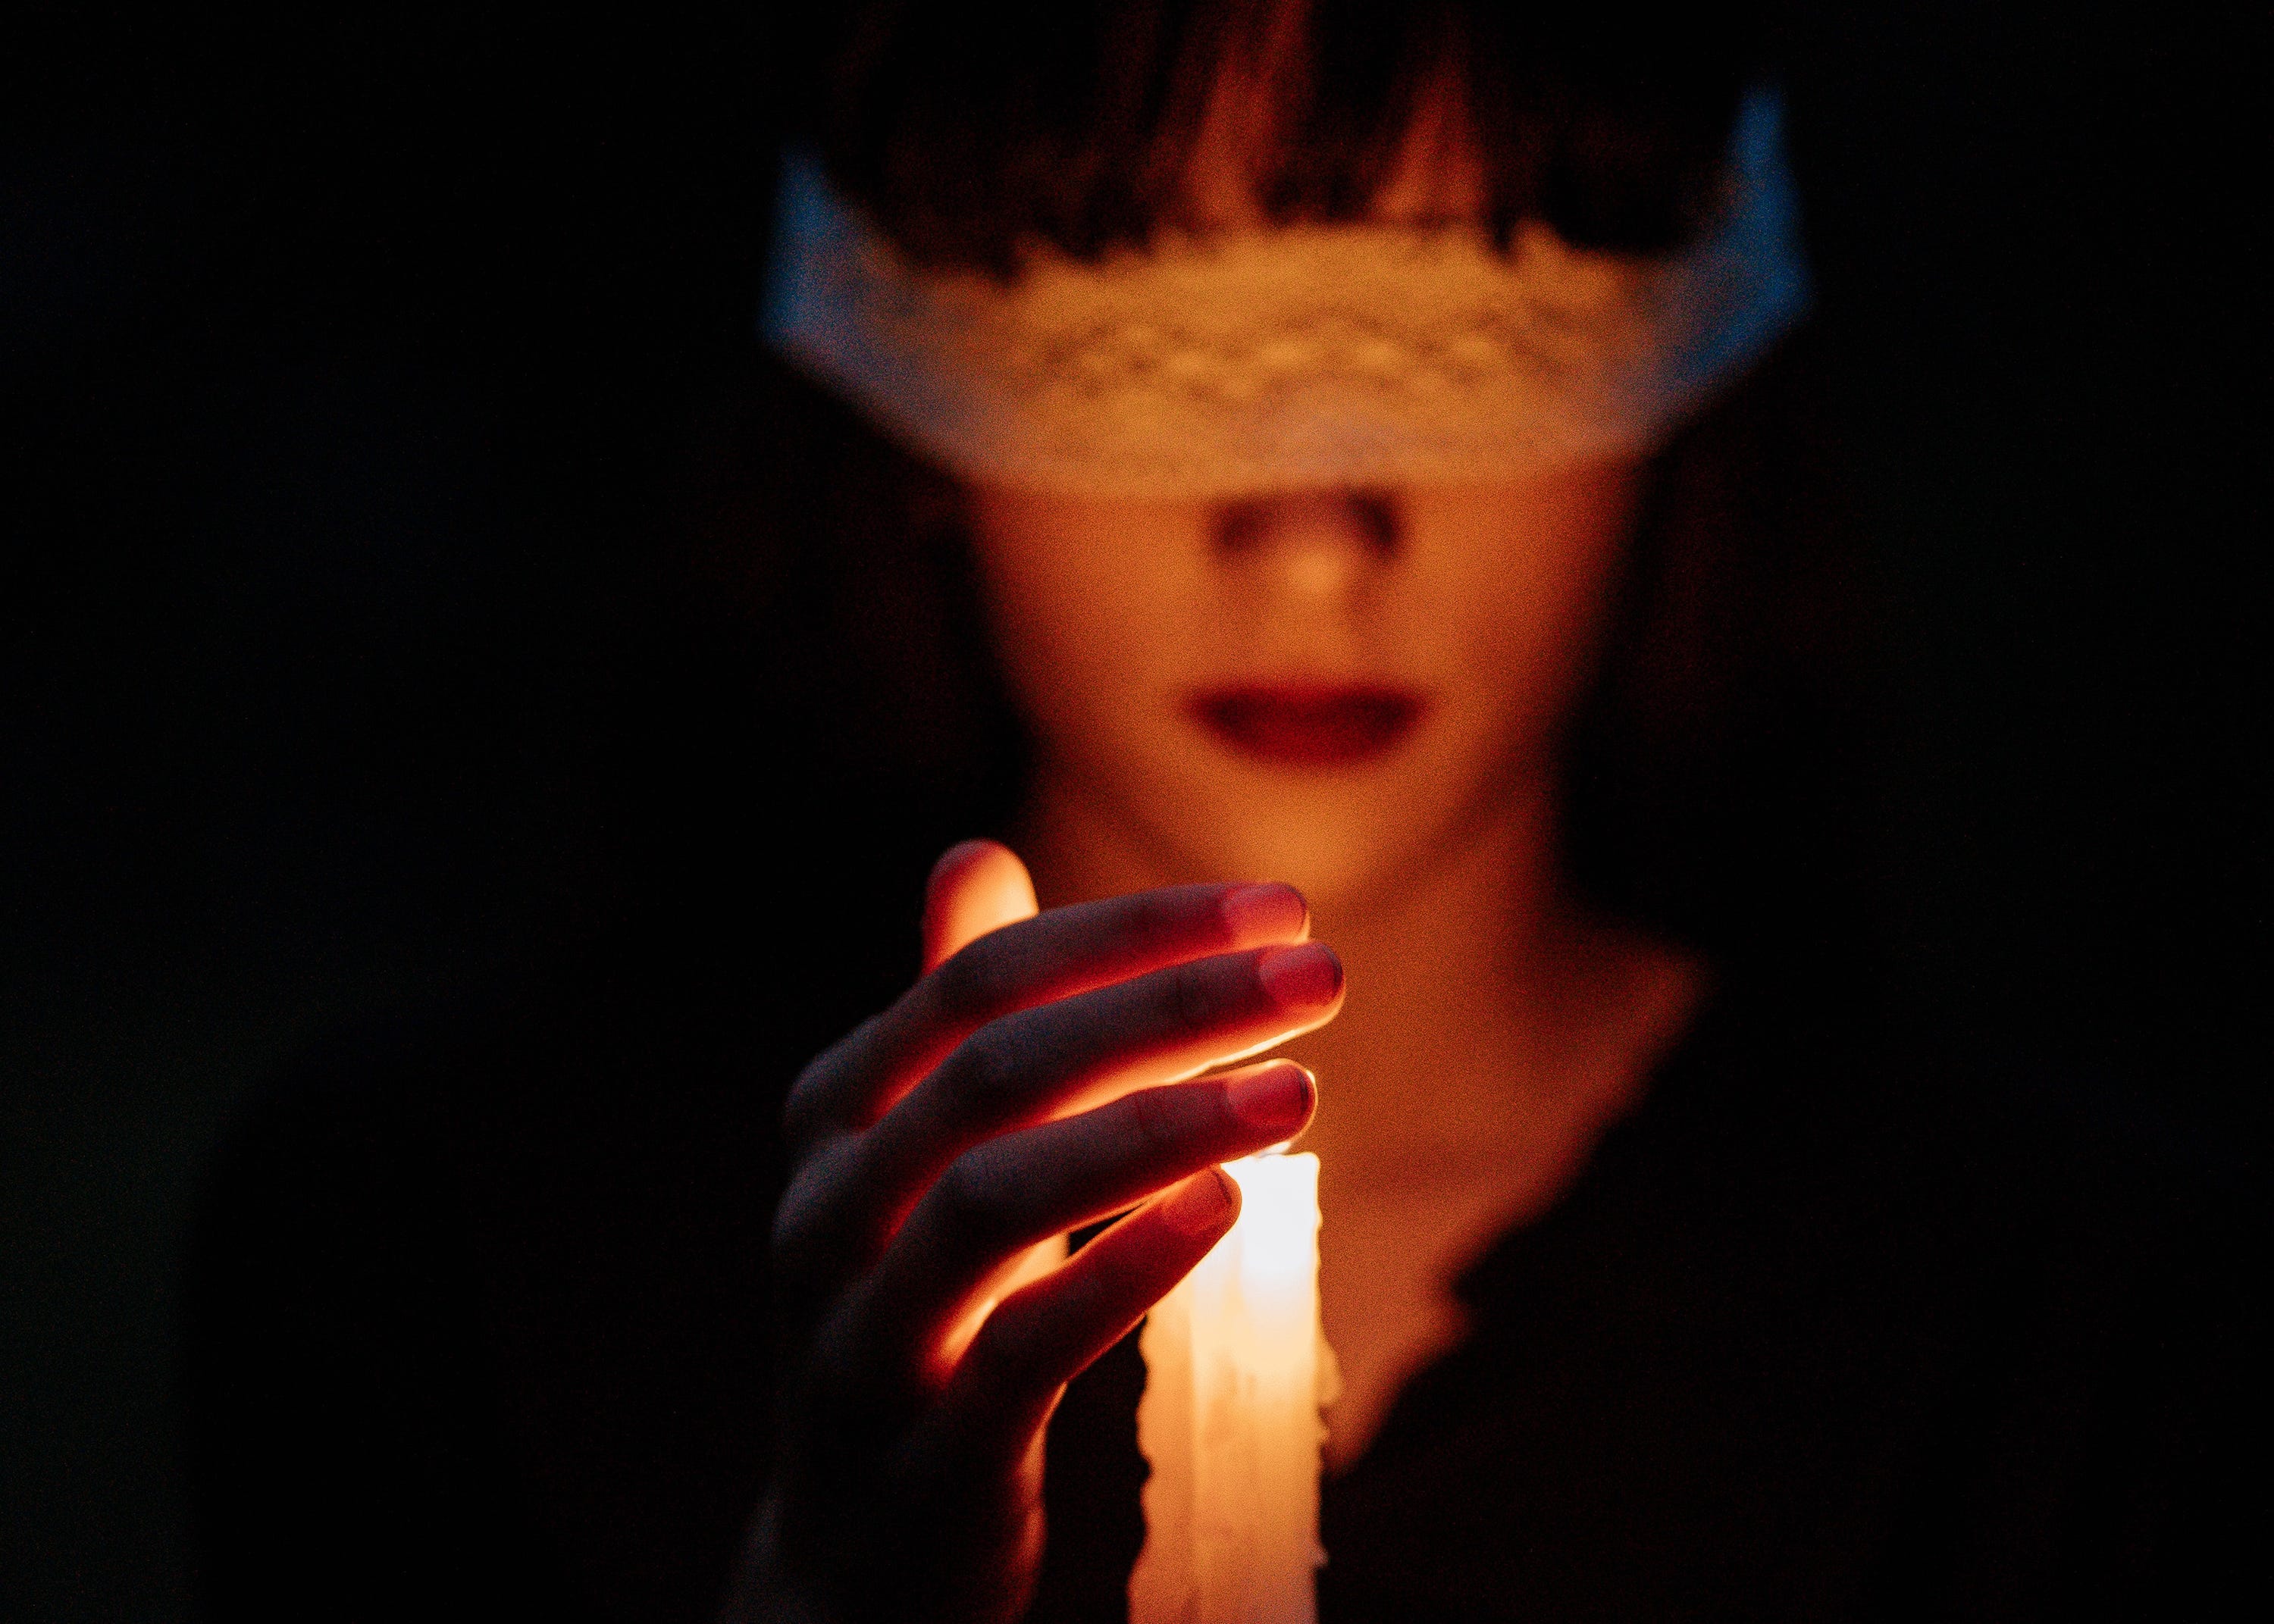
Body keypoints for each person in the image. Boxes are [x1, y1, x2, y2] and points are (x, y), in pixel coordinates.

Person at [183, 5, 2249, 1621]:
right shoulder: (436, 1256)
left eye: (1475, 324)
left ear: (1677, 387)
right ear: (909, 394)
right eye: (1144, 330)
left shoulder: (2086, 1349)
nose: (1314, 538)